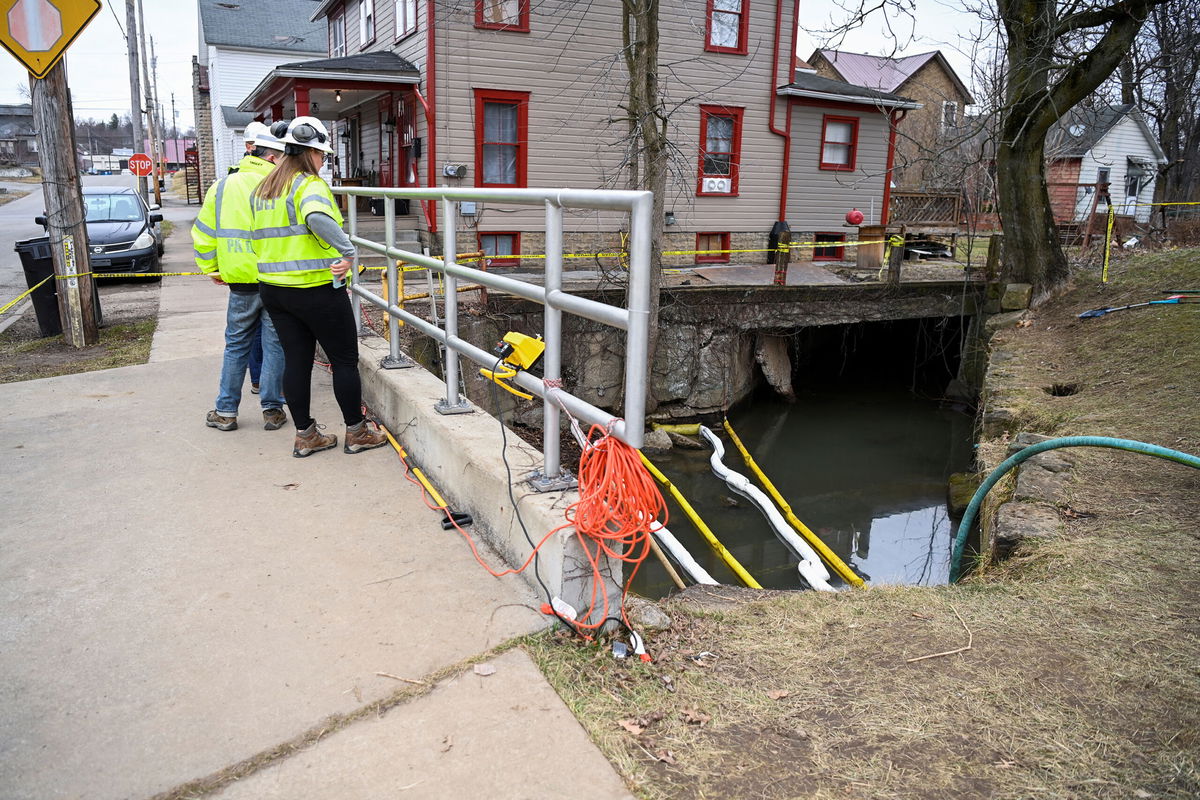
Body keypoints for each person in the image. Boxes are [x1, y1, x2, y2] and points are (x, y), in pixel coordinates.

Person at [250, 116, 387, 458]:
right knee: (344, 360)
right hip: (314, 289)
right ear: (310, 152)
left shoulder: (264, 189)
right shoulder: (307, 186)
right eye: (323, 156)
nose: (323, 162)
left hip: (274, 289)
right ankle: (357, 433)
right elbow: (317, 218)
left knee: (296, 361)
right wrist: (348, 252)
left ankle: (306, 435)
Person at [193, 124, 289, 433]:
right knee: (275, 345)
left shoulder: (223, 186)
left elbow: (204, 233)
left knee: (236, 346)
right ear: (273, 157)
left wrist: (212, 268)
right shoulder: (283, 186)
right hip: (277, 281)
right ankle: (273, 411)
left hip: (241, 283)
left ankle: (225, 412)